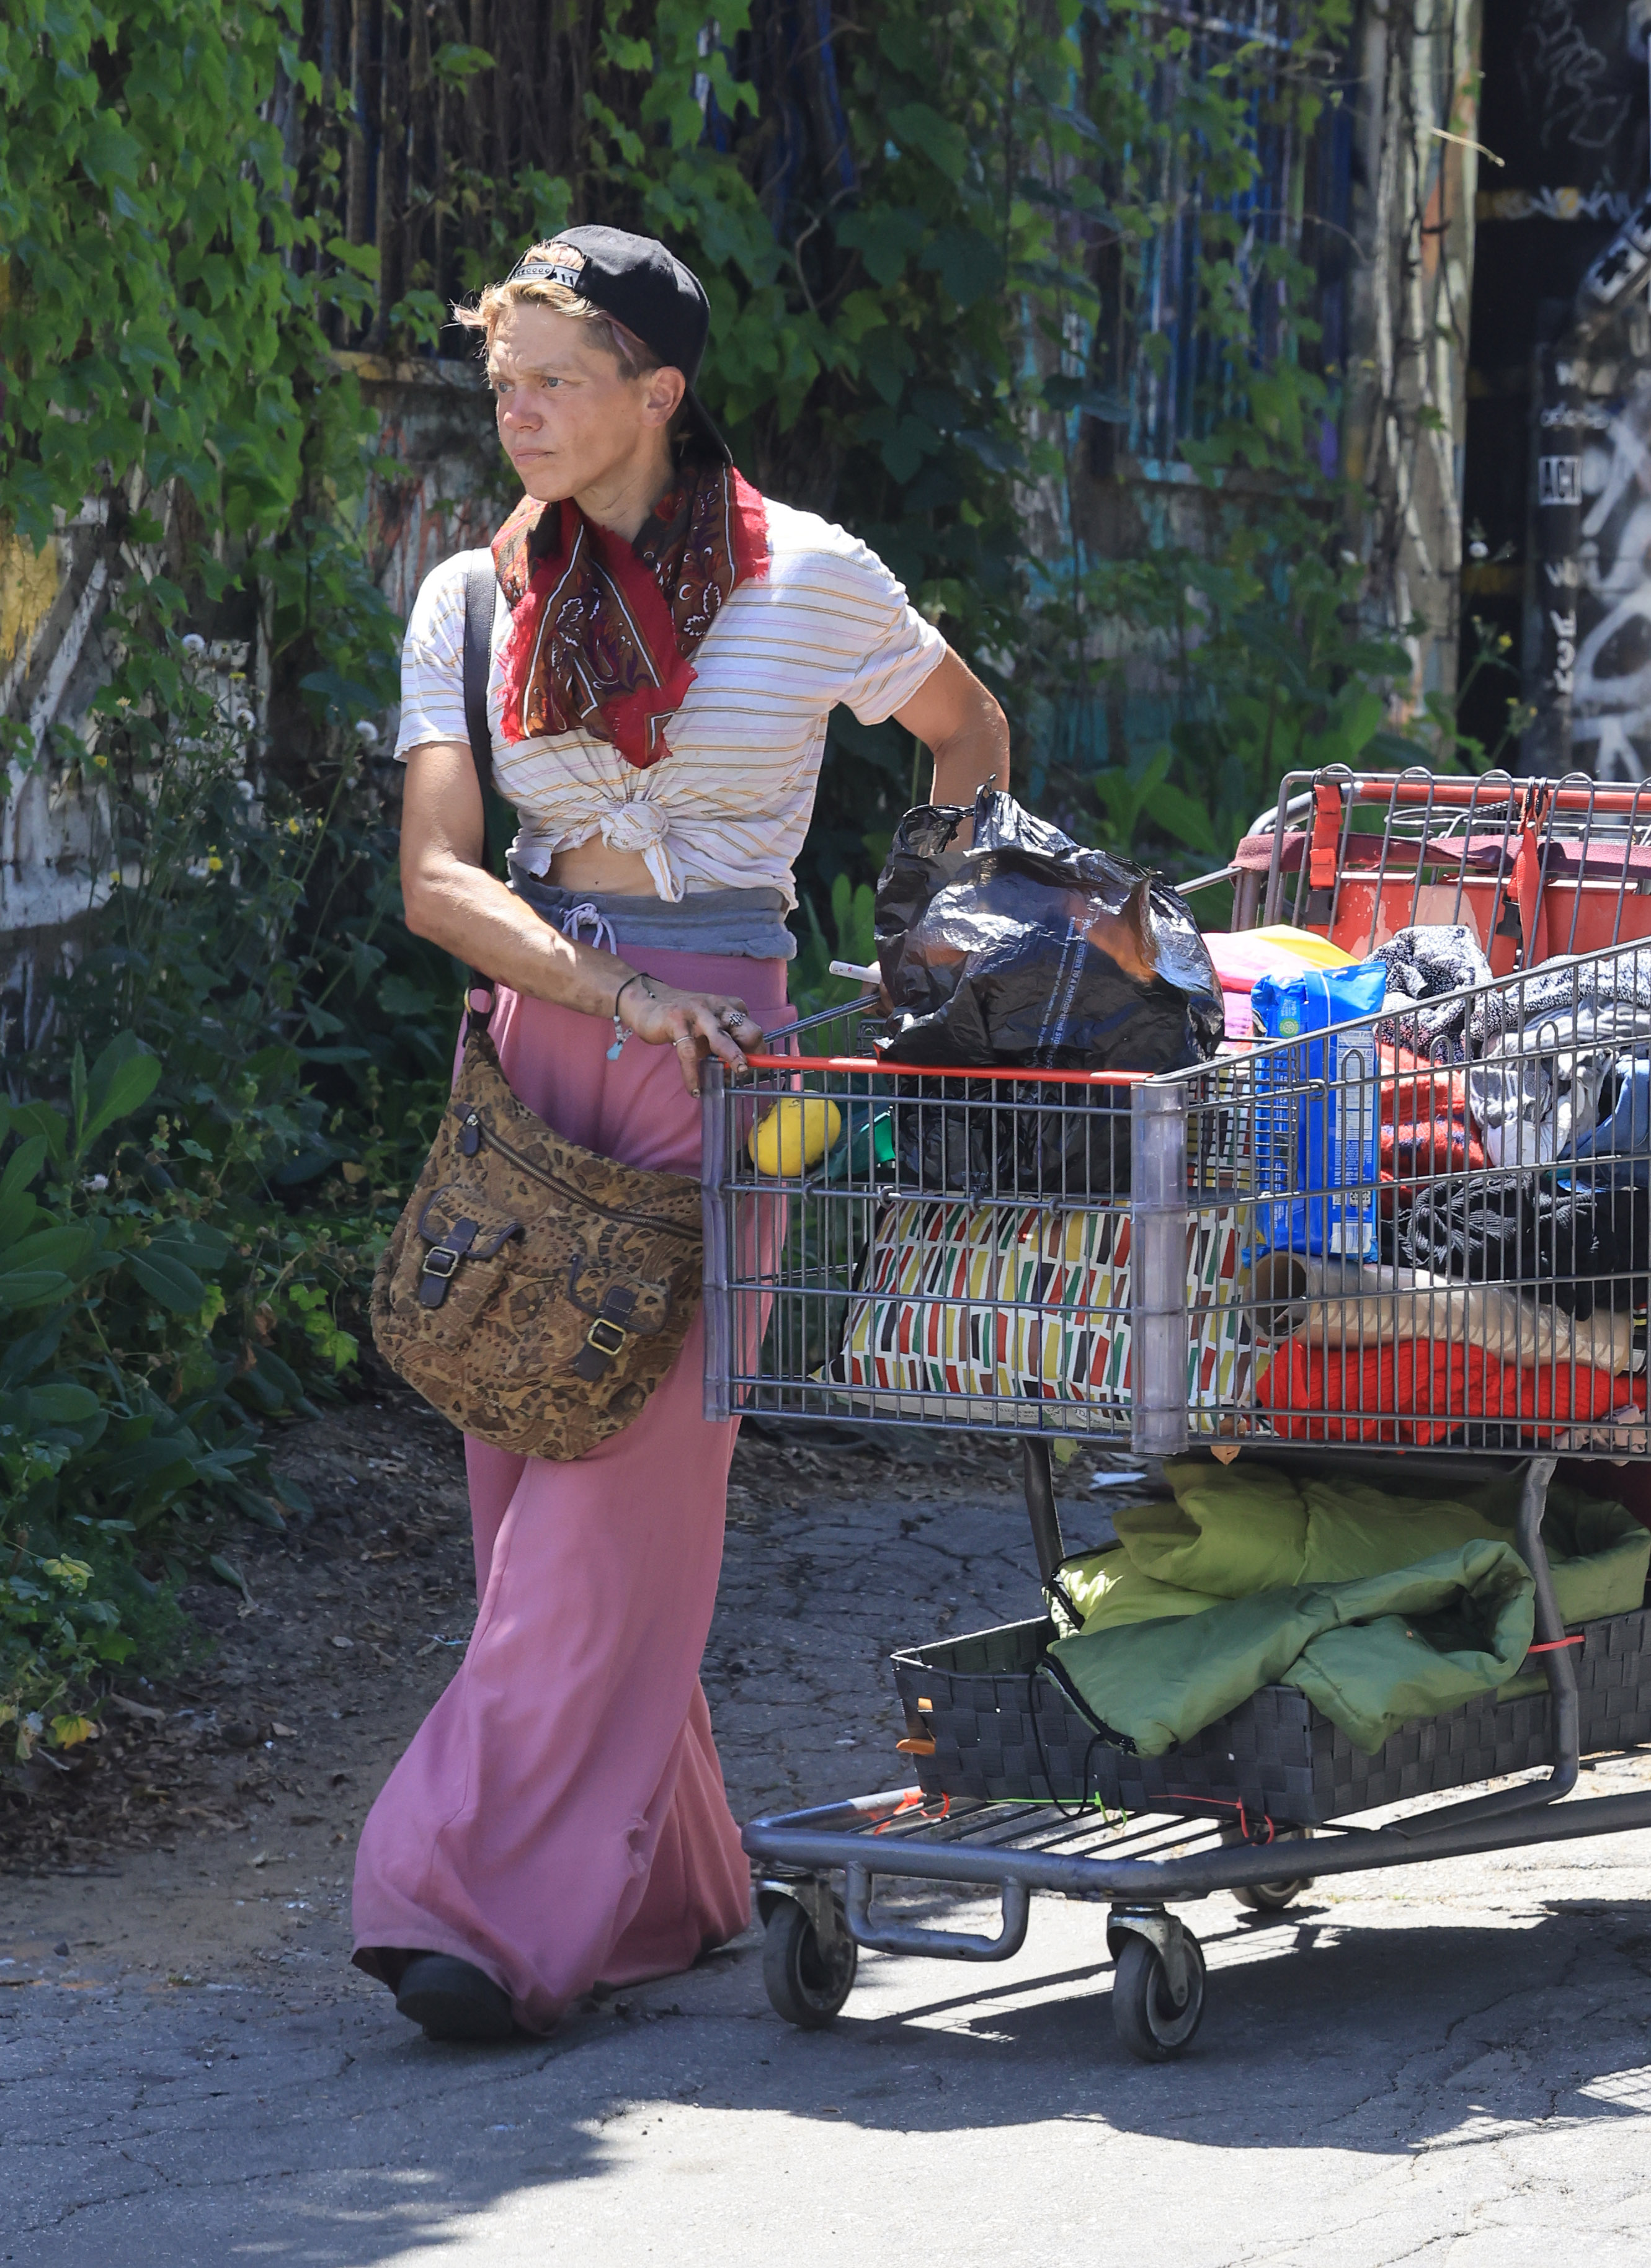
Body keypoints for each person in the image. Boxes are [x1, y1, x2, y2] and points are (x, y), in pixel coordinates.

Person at [351, 224, 1010, 2040]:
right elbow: (431, 880)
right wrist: (611, 992)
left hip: (735, 1076)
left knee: (616, 1501)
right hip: (543, 1051)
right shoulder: (471, 597)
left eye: (554, 380)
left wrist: (919, 935)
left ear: (660, 390)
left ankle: (466, 1903)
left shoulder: (811, 576)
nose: (518, 415)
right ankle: (674, 1878)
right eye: (503, 384)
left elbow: (969, 735)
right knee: (530, 1495)